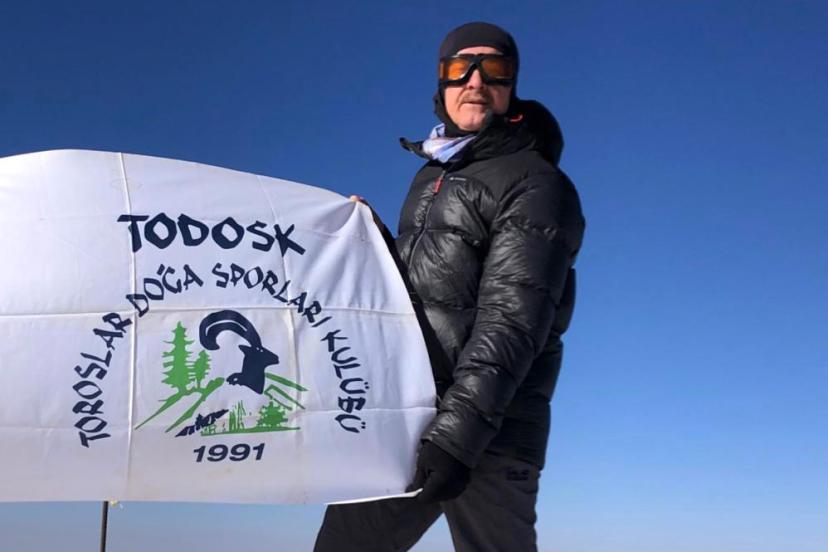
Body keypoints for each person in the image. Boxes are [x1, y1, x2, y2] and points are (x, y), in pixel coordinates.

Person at [315, 21, 585, 552]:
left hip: (491, 436)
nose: (476, 82)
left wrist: (457, 437)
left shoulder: (536, 182)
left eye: (495, 69)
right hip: (409, 417)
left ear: (512, 86)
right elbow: (431, 293)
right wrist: (375, 242)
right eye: (461, 68)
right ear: (442, 82)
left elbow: (513, 321)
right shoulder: (433, 176)